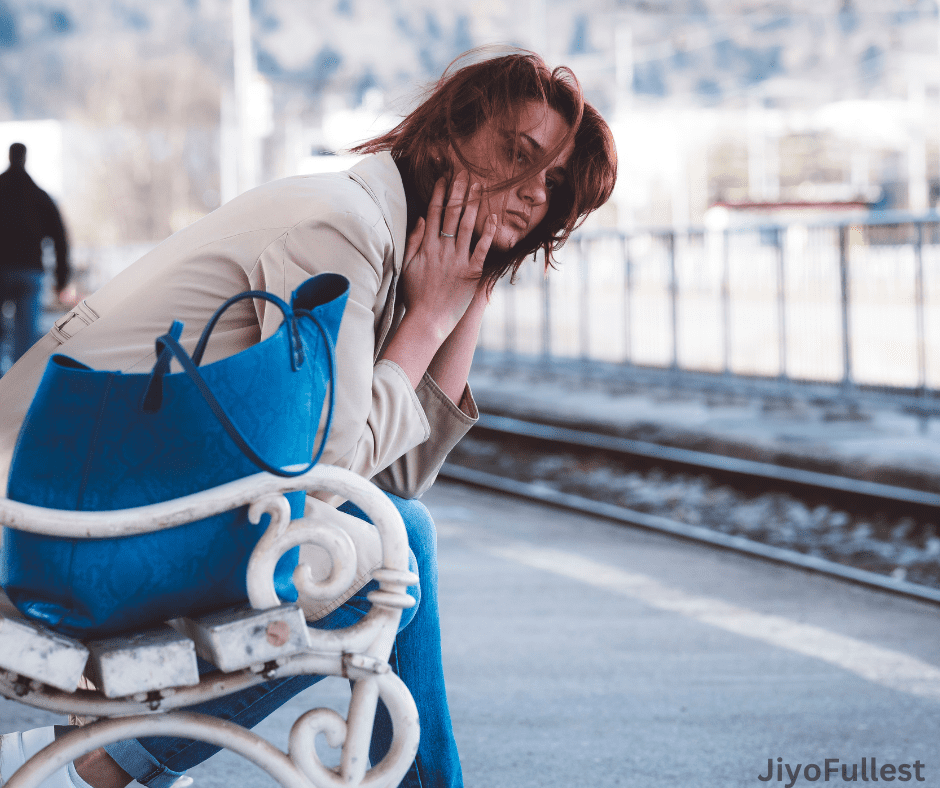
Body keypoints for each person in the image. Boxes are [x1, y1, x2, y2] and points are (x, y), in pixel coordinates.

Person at [0, 48, 616, 788]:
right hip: (50, 520)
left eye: (554, 183)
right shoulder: (342, 226)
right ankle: (99, 767)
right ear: (450, 132)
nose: (534, 190)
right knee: (390, 553)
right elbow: (330, 474)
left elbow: (395, 476)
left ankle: (103, 763)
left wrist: (469, 291)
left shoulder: (379, 230)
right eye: (520, 154)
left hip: (109, 502)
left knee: (398, 531)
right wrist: (427, 320)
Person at [0, 142, 70, 367]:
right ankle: (19, 381)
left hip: (2, 270)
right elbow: (60, 237)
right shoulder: (39, 195)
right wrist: (61, 278)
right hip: (30, 271)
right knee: (25, 336)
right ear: (25, 158)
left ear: (9, 157)